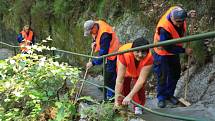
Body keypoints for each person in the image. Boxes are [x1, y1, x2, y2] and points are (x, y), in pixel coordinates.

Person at [153, 6, 195, 108]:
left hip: (173, 52)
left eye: (180, 21)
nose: (178, 24)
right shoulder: (164, 28)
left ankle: (169, 94)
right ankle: (161, 98)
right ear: (172, 18)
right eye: (176, 22)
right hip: (162, 53)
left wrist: (189, 14)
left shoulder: (177, 11)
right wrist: (184, 51)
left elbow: (184, 14)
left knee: (175, 73)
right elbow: (167, 47)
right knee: (162, 76)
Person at [114, 37, 153, 115]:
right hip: (126, 68)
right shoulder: (124, 53)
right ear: (132, 50)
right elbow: (119, 80)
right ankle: (121, 105)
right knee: (124, 85)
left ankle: (138, 106)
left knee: (139, 87)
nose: (140, 55)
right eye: (137, 51)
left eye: (143, 52)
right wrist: (116, 100)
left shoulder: (149, 58)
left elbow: (141, 80)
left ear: (147, 52)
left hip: (139, 70)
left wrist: (130, 96)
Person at [84, 20, 120, 100]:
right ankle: (106, 88)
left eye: (90, 32)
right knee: (104, 72)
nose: (90, 34)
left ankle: (111, 96)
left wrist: (92, 63)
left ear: (94, 27)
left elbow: (103, 53)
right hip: (108, 51)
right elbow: (96, 36)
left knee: (110, 75)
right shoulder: (97, 24)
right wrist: (94, 42)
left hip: (113, 53)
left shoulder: (105, 35)